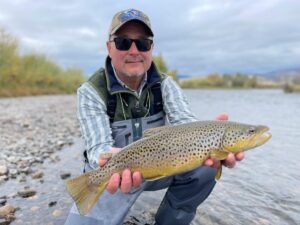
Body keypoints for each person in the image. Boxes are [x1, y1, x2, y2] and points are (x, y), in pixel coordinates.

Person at [64, 8, 244, 225]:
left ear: (151, 48)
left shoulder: (166, 85)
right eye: (123, 42)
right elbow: (98, 147)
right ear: (109, 47)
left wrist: (210, 136)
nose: (134, 50)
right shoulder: (91, 91)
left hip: (164, 164)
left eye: (142, 43)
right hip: (116, 175)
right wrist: (108, 160)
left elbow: (185, 123)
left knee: (206, 167)